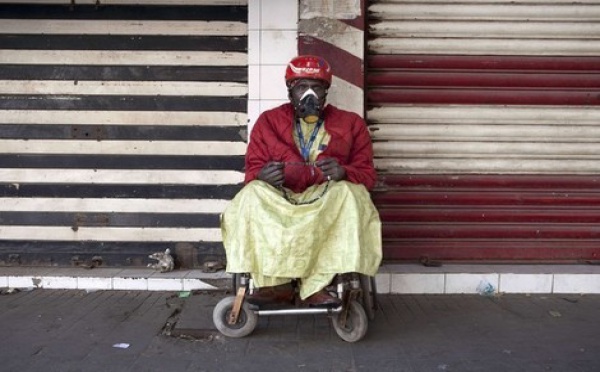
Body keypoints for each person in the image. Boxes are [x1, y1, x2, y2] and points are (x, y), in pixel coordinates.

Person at [221, 55, 382, 307]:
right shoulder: (268, 122)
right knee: (251, 194)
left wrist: (344, 172)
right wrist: (262, 175)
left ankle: (316, 286)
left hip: (325, 197)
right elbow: (251, 171)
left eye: (316, 87)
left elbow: (368, 175)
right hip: (282, 198)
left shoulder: (351, 123)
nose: (309, 95)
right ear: (290, 91)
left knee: (351, 194)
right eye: (301, 87)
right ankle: (275, 285)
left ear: (326, 91)